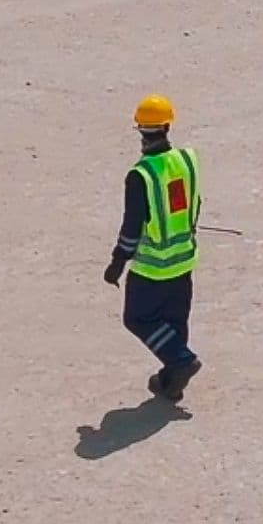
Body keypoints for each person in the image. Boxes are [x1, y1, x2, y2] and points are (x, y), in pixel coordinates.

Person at [102, 95, 203, 401]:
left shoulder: (141, 175)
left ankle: (182, 362)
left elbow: (132, 226)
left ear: (140, 129)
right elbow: (193, 203)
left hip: (153, 266)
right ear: (167, 125)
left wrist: (118, 262)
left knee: (138, 318)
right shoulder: (187, 161)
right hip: (184, 259)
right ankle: (172, 382)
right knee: (174, 322)